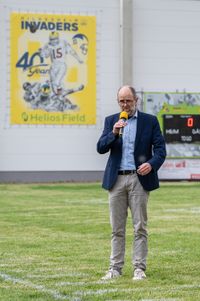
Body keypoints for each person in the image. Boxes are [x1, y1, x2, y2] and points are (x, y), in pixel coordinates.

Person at [97, 85, 166, 281]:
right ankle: (115, 269)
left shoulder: (150, 121)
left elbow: (160, 150)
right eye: (121, 101)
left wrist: (151, 165)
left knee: (140, 227)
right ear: (118, 102)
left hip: (139, 179)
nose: (125, 105)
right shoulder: (112, 121)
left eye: (128, 100)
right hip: (116, 179)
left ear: (136, 100)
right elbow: (100, 148)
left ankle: (139, 269)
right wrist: (113, 133)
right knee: (116, 228)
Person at [38, 31, 83, 96]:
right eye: (51, 39)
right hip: (53, 67)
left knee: (56, 83)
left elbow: (72, 51)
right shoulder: (47, 44)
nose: (52, 41)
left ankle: (62, 93)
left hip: (61, 65)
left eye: (54, 39)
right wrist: (41, 52)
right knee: (55, 88)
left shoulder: (63, 42)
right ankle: (71, 91)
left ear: (58, 38)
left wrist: (79, 59)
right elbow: (45, 55)